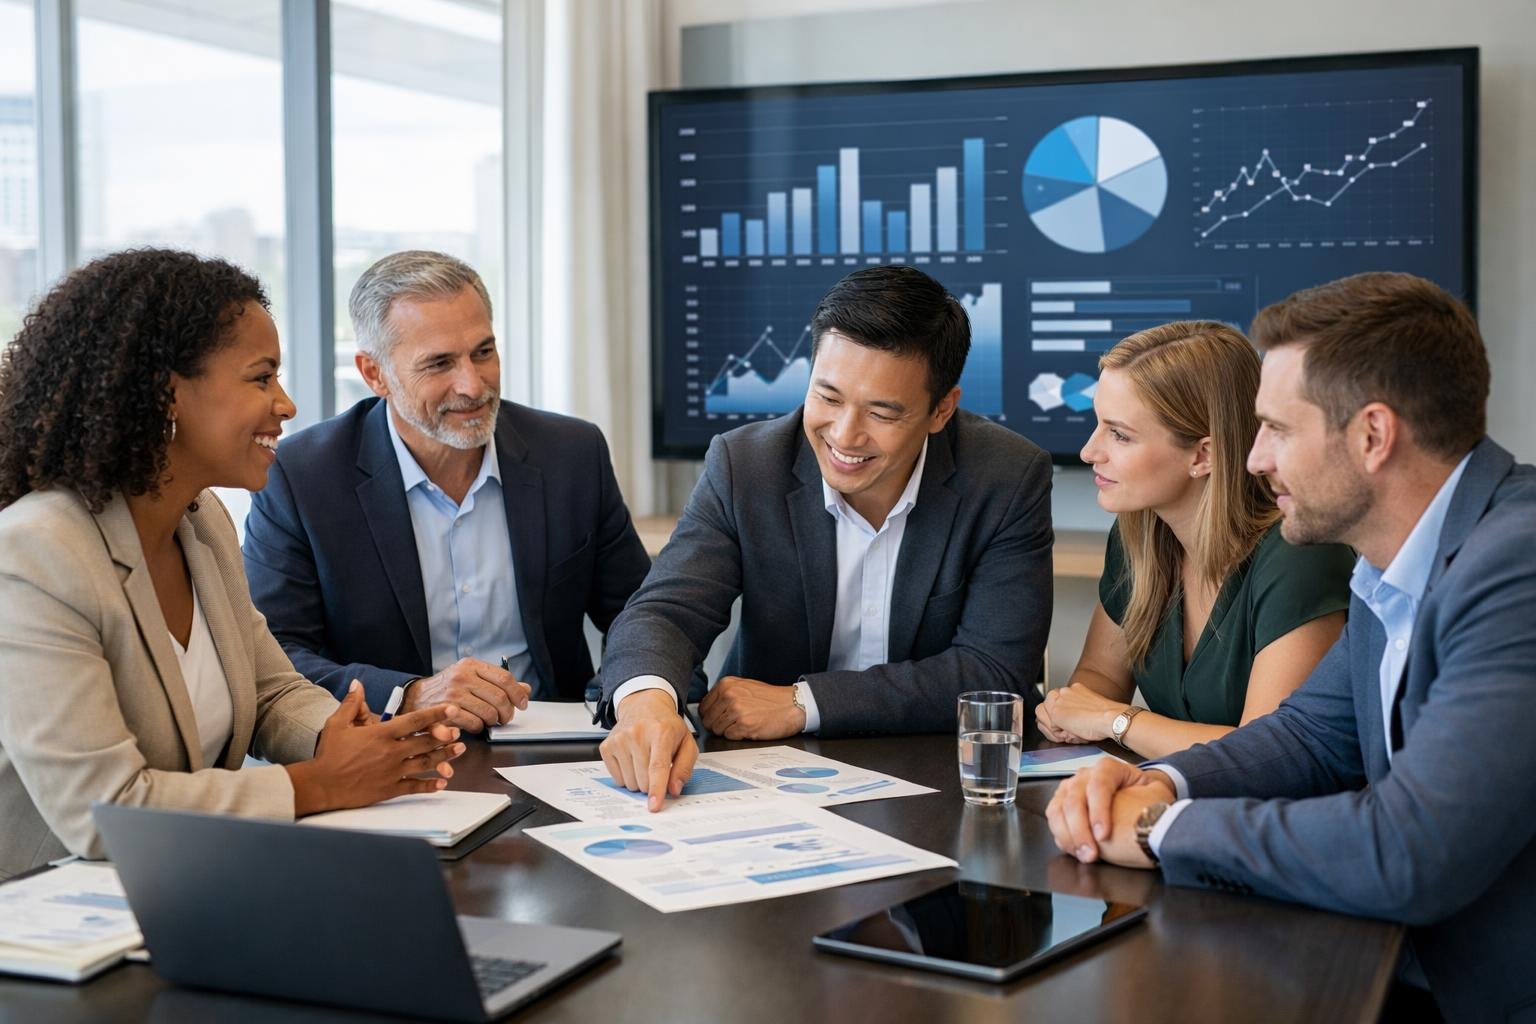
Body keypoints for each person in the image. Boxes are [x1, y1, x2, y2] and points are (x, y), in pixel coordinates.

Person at [1044, 272, 1536, 1020]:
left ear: (1372, 435)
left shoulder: (1516, 568)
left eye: (1277, 428)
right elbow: (1309, 736)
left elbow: (1410, 852)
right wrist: (1163, 784)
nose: (1254, 459)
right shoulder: (1389, 557)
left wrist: (1162, 829)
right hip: (1397, 965)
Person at [0, 249, 465, 880]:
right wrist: (318, 784)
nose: (287, 404)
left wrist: (344, 735)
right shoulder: (35, 554)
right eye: (261, 378)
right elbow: (101, 812)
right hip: (46, 921)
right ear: (168, 394)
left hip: (186, 889)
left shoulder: (202, 522)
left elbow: (270, 689)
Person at [597, 266, 1054, 810]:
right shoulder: (746, 464)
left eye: (882, 412)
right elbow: (668, 610)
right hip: (766, 782)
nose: (844, 435)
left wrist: (804, 702)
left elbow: (996, 670)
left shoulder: (1006, 476)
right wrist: (646, 702)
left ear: (942, 409)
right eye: (828, 397)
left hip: (937, 788)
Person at [242, 251, 651, 733]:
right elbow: (275, 657)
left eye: (483, 352)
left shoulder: (572, 454)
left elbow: (643, 614)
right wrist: (410, 694)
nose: (472, 385)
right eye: (439, 364)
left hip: (553, 748)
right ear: (374, 374)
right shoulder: (303, 476)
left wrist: (628, 701)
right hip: (392, 749)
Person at [1036, 322, 1353, 760]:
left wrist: (1115, 720)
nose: (1090, 451)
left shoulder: (1300, 554)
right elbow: (1099, 678)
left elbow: (1266, 754)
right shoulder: (1138, 534)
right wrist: (1068, 709)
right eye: (1098, 425)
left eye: (1120, 434)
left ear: (1203, 455)